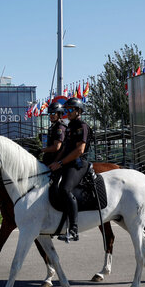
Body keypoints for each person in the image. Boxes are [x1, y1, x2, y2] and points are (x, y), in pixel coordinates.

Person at [48, 97, 89, 242]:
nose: (68, 112)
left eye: (71, 110)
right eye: (66, 110)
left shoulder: (81, 126)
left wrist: (60, 163)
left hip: (79, 163)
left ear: (78, 111)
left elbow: (79, 150)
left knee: (65, 189)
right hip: (68, 162)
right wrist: (55, 162)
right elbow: (64, 148)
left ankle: (74, 230)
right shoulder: (70, 126)